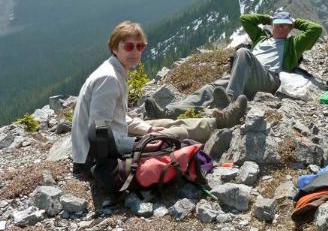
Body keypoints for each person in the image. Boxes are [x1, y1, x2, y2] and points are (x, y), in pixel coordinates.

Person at [71, 21, 247, 175]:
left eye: (140, 46)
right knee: (175, 133)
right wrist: (140, 143)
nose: (135, 51)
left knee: (162, 124)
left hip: (109, 140)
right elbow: (99, 133)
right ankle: (217, 123)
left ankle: (216, 121)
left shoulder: (114, 70)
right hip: (95, 156)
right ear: (114, 48)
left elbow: (114, 118)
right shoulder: (109, 79)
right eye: (129, 46)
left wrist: (147, 130)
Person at [144, 11, 323, 120]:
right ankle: (167, 113)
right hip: (243, 78)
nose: (281, 28)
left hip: (268, 79)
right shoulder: (261, 37)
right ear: (273, 25)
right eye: (278, 25)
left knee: (243, 52)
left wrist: (295, 21)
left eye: (286, 26)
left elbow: (316, 29)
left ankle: (230, 104)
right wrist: (270, 18)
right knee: (209, 89)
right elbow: (245, 19)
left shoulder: (293, 44)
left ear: (291, 28)